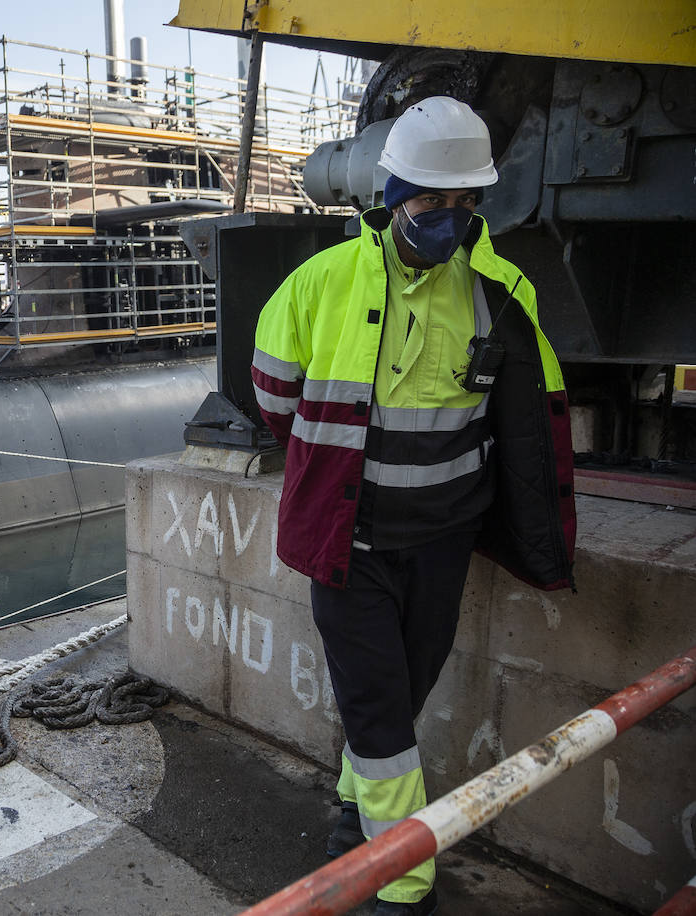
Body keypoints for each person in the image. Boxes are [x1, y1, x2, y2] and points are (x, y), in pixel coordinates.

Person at [249, 97, 576, 916]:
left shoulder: (502, 293)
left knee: (404, 690)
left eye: (466, 205)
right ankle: (404, 878)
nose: (449, 220)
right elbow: (273, 397)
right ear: (394, 196)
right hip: (347, 540)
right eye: (432, 205)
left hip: (442, 538)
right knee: (377, 704)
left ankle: (353, 812)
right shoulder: (317, 285)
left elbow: (528, 414)